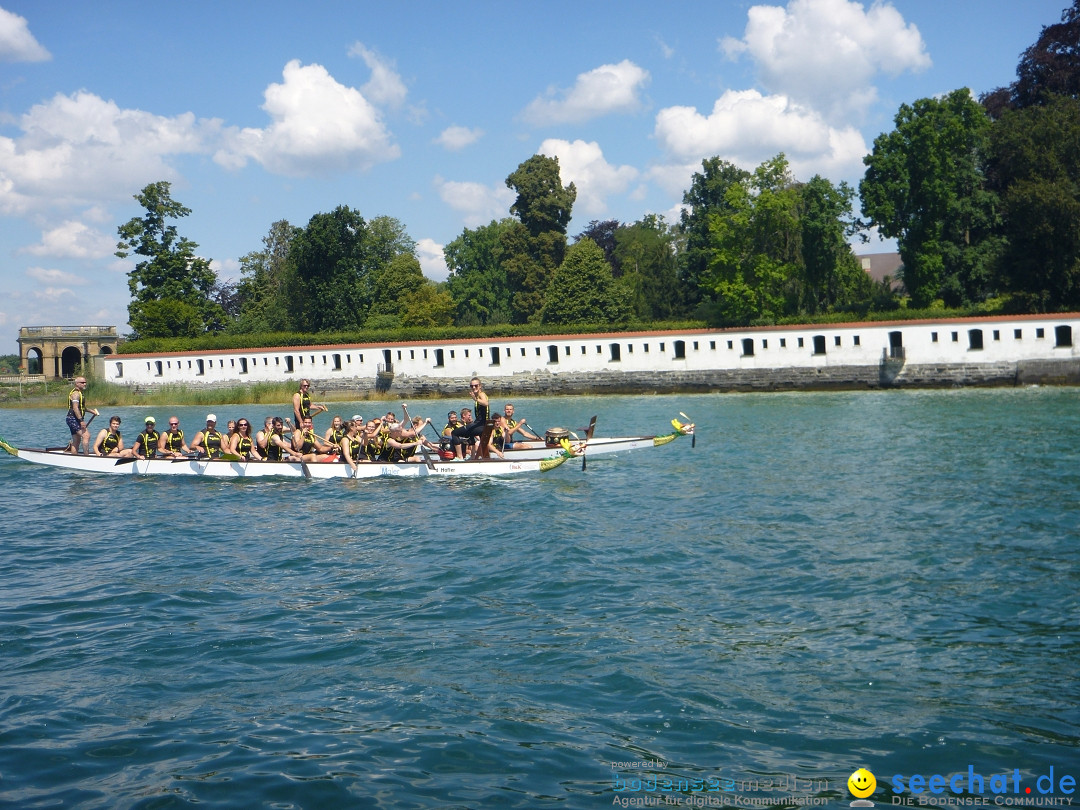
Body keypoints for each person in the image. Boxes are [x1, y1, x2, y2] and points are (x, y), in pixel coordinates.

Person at [65, 376, 99, 455]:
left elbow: (82, 408)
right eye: (82, 383)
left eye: (85, 382)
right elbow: (75, 408)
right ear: (77, 384)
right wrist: (81, 421)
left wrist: (92, 411)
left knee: (77, 440)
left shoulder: (80, 393)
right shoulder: (76, 394)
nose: (85, 384)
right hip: (73, 419)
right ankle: (86, 457)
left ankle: (74, 457)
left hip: (74, 419)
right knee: (86, 436)